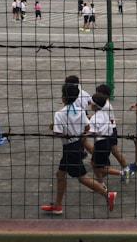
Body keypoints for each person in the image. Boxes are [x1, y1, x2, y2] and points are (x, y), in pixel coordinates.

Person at [41, 83, 116, 214]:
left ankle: (107, 194)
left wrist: (53, 126)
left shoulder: (59, 114)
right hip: (76, 146)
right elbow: (86, 128)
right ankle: (58, 205)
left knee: (82, 178)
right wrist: (76, 130)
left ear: (63, 98)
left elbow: (58, 133)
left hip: (70, 148)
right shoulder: (80, 111)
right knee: (60, 174)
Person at [88, 94, 130, 189]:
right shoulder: (104, 114)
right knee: (94, 164)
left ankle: (122, 173)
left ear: (95, 106)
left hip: (100, 144)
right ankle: (101, 184)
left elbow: (92, 132)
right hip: (107, 141)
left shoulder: (94, 118)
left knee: (99, 167)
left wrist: (82, 134)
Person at [94, 83, 130, 172]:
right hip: (109, 130)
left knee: (115, 151)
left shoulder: (105, 106)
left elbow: (104, 120)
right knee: (109, 151)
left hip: (110, 131)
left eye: (98, 94)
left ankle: (125, 169)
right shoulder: (104, 104)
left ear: (104, 95)